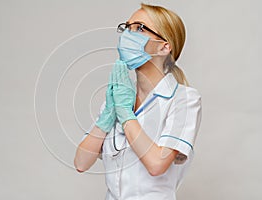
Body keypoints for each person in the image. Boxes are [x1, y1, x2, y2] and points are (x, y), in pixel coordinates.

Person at [74, 3, 202, 200]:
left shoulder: (184, 100)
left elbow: (157, 165)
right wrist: (109, 113)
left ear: (164, 47)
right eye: (127, 27)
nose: (127, 35)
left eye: (139, 28)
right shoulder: (120, 97)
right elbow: (81, 163)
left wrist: (126, 115)